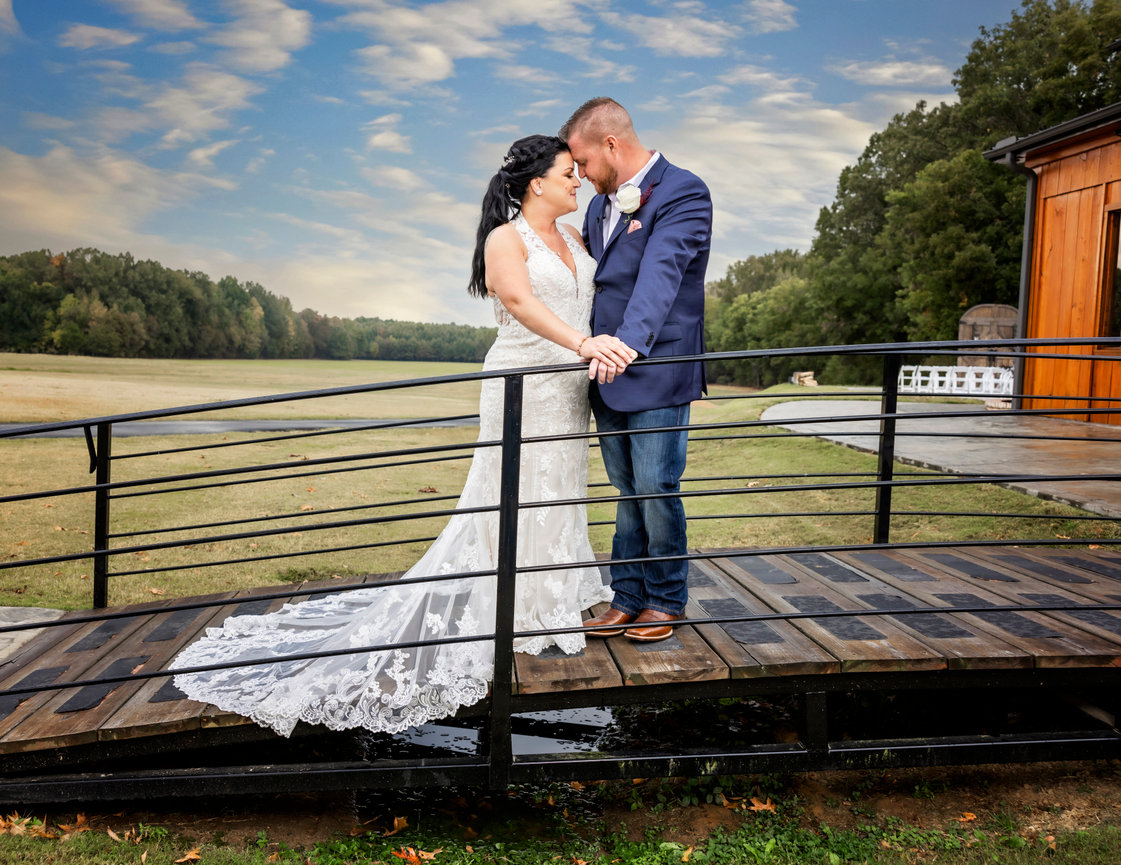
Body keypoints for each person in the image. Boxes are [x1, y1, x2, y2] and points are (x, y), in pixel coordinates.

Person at [169, 135, 637, 737]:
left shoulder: (577, 237)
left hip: (567, 389)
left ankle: (554, 590)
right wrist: (582, 344)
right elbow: (518, 300)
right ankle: (511, 601)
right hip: (521, 382)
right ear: (536, 184)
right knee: (513, 485)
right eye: (568, 173)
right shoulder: (505, 239)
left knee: (561, 483)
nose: (578, 182)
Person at [560, 98, 712, 643]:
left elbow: (660, 277)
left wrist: (623, 348)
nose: (579, 175)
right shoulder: (599, 206)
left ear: (611, 145)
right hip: (606, 369)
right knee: (626, 489)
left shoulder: (684, 191)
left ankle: (666, 600)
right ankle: (627, 597)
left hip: (656, 364)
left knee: (656, 485)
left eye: (581, 162)